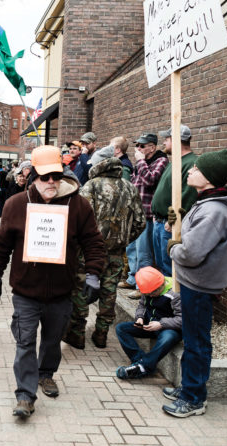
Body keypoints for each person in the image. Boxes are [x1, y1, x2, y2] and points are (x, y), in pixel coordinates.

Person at [0, 145, 106, 419]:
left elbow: (93, 242)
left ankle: (46, 374)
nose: (51, 182)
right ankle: (25, 395)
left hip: (61, 292)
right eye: (45, 177)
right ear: (34, 177)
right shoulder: (16, 204)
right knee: (25, 341)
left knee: (52, 341)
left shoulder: (78, 205)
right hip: (26, 291)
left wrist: (93, 274)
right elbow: (1, 242)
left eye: (56, 175)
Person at [162, 149, 227, 418]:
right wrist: (177, 225)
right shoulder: (206, 204)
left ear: (208, 178)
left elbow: (192, 253)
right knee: (193, 338)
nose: (190, 171)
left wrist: (173, 247)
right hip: (194, 284)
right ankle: (189, 387)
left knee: (197, 343)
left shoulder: (214, 211)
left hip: (199, 286)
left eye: (196, 168)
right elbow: (193, 237)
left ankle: (194, 398)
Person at [64, 145, 145, 350]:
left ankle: (78, 333)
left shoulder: (91, 186)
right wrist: (125, 239)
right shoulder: (130, 187)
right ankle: (101, 334)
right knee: (109, 293)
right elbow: (140, 222)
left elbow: (77, 218)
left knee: (81, 291)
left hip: (89, 251)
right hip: (117, 252)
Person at [120, 133, 169, 298]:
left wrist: (140, 161)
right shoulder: (142, 163)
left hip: (147, 214)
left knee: (144, 253)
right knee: (131, 248)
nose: (138, 149)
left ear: (152, 147)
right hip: (135, 213)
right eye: (137, 146)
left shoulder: (160, 160)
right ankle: (133, 279)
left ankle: (143, 288)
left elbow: (150, 180)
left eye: (142, 146)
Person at [115, 267, 181, 379]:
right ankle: (140, 361)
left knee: (167, 338)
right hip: (149, 325)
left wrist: (161, 324)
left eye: (152, 294)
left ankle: (143, 367)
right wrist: (140, 318)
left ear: (159, 286)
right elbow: (142, 305)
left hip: (169, 328)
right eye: (147, 294)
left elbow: (182, 319)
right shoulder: (148, 289)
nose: (149, 296)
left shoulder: (175, 294)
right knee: (121, 328)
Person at [151, 125, 198, 276]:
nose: (164, 143)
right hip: (159, 222)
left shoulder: (190, 163)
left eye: (167, 139)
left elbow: (189, 194)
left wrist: (175, 221)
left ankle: (172, 300)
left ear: (177, 140)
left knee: (169, 268)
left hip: (169, 225)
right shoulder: (174, 162)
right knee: (161, 265)